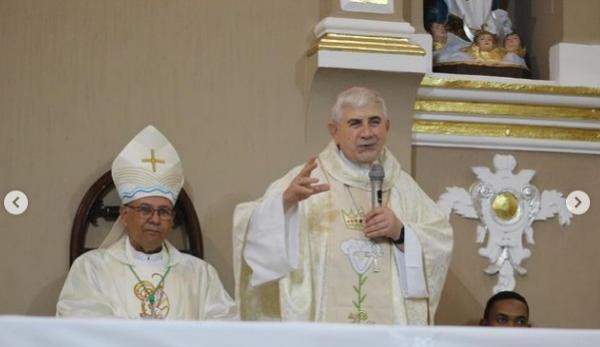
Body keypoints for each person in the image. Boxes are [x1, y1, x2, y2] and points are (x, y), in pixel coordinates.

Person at [233, 87, 453, 325]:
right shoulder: (307, 179)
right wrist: (284, 204)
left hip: (388, 334)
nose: (367, 133)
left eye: (375, 122)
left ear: (387, 127)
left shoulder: (402, 186)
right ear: (334, 131)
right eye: (355, 123)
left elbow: (439, 238)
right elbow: (247, 224)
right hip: (321, 328)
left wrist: (401, 232)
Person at [57, 125, 237, 320]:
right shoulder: (91, 268)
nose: (155, 219)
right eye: (145, 210)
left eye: (163, 211)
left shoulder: (200, 275)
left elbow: (224, 331)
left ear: (172, 219)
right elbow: (81, 328)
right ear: (124, 215)